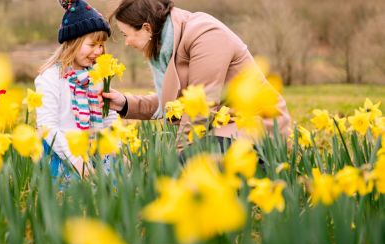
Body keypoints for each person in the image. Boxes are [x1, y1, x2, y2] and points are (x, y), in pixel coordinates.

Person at [102, 0, 291, 143]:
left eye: (127, 35)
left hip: (256, 128)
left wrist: (181, 159)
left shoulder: (205, 35)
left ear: (146, 28)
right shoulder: (167, 49)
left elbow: (200, 107)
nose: (127, 42)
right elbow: (173, 104)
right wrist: (125, 104)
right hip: (224, 128)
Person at [35, 0, 117, 180]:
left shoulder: (98, 75)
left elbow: (109, 117)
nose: (98, 51)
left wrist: (117, 149)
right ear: (73, 42)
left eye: (101, 45)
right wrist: (76, 161)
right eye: (92, 44)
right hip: (63, 154)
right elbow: (47, 126)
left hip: (96, 151)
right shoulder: (50, 78)